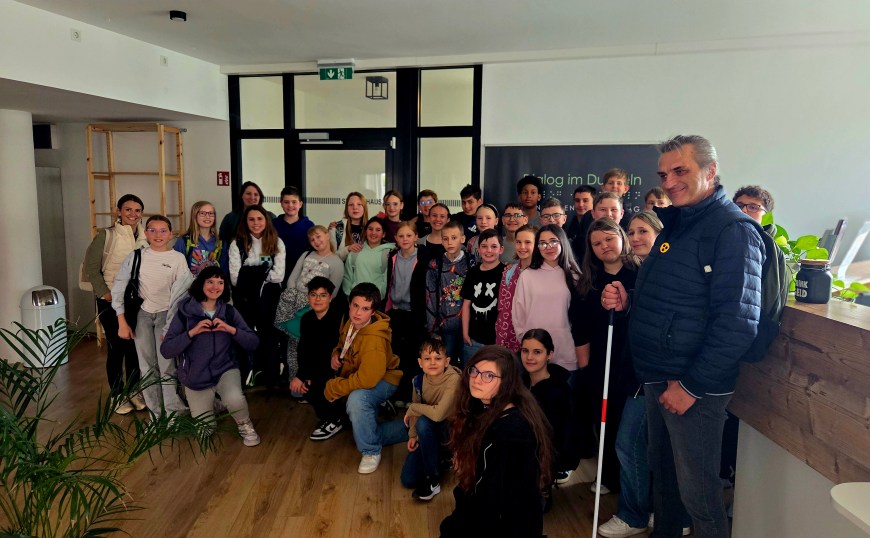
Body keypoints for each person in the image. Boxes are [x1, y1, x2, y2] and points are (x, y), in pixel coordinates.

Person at [603, 134, 764, 538]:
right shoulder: (679, 222)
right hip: (660, 375)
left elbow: (738, 322)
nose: (670, 181)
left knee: (700, 497)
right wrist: (629, 302)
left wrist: (691, 386)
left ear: (711, 172)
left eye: (680, 171)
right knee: (667, 488)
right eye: (663, 174)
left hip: (693, 386)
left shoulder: (733, 230)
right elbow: (677, 299)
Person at [439, 345, 553, 538]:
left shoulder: (510, 432)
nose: (476, 379)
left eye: (489, 376)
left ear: (506, 382)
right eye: (474, 371)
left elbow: (490, 502)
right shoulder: (491, 407)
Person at [160, 266, 261, 447]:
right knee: (205, 432)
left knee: (235, 399)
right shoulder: (184, 313)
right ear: (201, 284)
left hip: (225, 370)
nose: (215, 287)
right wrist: (191, 333)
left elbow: (253, 342)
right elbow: (166, 350)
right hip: (195, 377)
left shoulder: (229, 312)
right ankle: (215, 404)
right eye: (210, 282)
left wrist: (231, 329)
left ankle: (244, 424)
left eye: (220, 282)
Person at [574, 217, 640, 495]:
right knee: (605, 421)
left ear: (622, 237)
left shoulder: (639, 273)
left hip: (633, 362)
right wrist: (586, 368)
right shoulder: (588, 281)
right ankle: (608, 475)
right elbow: (580, 328)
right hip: (601, 362)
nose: (604, 246)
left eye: (609, 239)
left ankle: (634, 486)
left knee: (630, 428)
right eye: (597, 243)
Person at [112, 215, 193, 417]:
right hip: (142, 315)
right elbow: (119, 287)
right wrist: (122, 321)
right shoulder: (136, 256)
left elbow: (182, 294)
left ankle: (173, 412)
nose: (158, 235)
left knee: (167, 365)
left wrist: (173, 325)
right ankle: (155, 413)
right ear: (146, 233)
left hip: (167, 315)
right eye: (152, 230)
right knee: (146, 366)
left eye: (163, 230)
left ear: (170, 234)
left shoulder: (177, 259)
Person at [324, 283, 404, 474]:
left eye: (365, 309)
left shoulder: (374, 340)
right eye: (355, 305)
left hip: (383, 379)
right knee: (364, 427)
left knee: (357, 401)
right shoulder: (351, 321)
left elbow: (367, 380)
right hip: (361, 374)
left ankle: (371, 451)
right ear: (349, 304)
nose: (358, 312)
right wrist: (336, 353)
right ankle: (409, 426)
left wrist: (337, 387)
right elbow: (342, 344)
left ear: (373, 311)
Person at [83, 194, 148, 414]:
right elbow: (91, 269)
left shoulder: (145, 236)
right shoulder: (106, 236)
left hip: (136, 301)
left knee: (134, 348)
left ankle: (134, 390)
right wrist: (106, 293)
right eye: (128, 209)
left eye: (137, 210)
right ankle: (118, 394)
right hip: (110, 301)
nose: (133, 214)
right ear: (118, 211)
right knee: (116, 348)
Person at [274, 225, 344, 388]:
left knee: (309, 346)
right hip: (294, 299)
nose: (316, 241)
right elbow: (292, 278)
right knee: (293, 345)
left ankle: (309, 381)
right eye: (312, 240)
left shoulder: (336, 262)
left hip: (313, 306)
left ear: (327, 235)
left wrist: (311, 301)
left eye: (318, 236)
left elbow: (332, 292)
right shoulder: (306, 255)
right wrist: (295, 296)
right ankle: (294, 382)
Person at [512, 224, 587, 373]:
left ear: (562, 242)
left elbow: (580, 320)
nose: (548, 247)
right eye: (543, 243)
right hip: (535, 351)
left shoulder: (575, 276)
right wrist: (526, 342)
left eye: (553, 241)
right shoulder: (527, 276)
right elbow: (518, 313)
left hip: (565, 350)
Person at [228, 205, 286, 389]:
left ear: (266, 220)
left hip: (270, 298)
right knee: (246, 335)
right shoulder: (237, 244)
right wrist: (262, 272)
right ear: (245, 222)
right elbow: (236, 278)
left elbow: (278, 276)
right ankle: (247, 375)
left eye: (260, 219)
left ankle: (271, 377)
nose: (256, 223)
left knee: (269, 336)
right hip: (245, 299)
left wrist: (249, 271)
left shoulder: (277, 242)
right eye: (251, 219)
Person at [399, 338, 461, 501]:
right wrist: (413, 435)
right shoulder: (418, 381)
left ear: (447, 361)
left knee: (424, 421)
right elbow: (415, 412)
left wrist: (413, 408)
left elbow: (438, 414)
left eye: (438, 358)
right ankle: (437, 458)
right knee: (408, 479)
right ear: (420, 362)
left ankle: (433, 479)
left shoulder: (454, 379)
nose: (432, 363)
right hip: (428, 435)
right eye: (427, 358)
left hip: (450, 434)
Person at [290, 277, 345, 441]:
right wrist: (302, 375)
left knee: (317, 383)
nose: (318, 299)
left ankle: (335, 420)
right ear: (308, 297)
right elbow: (304, 349)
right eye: (313, 295)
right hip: (316, 367)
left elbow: (335, 350)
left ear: (330, 298)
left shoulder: (339, 318)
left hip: (335, 367)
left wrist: (309, 376)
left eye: (323, 295)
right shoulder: (307, 319)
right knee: (304, 387)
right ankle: (328, 417)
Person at [520, 329, 573, 490]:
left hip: (542, 461)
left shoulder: (559, 392)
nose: (529, 357)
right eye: (525, 351)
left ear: (549, 355)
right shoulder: (518, 383)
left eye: (537, 352)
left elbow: (562, 437)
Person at [424, 221, 473, 364]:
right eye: (445, 238)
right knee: (448, 365)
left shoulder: (472, 262)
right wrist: (433, 331)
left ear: (462, 239)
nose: (450, 242)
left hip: (469, 327)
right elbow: (430, 298)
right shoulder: (435, 265)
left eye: (454, 238)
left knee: (468, 366)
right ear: (441, 240)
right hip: (446, 327)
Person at [385, 221, 423, 406]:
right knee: (396, 354)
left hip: (414, 314)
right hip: (396, 312)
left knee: (412, 355)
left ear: (416, 237)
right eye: (401, 236)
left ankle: (410, 395)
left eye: (409, 235)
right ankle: (397, 393)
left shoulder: (422, 258)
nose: (405, 239)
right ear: (395, 238)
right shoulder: (393, 257)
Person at [460, 229, 505, 362]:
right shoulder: (472, 272)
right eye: (484, 246)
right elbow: (466, 304)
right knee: (471, 371)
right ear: (478, 249)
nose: (488, 250)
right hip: (473, 339)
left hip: (497, 340)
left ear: (501, 249)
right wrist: (465, 333)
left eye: (494, 246)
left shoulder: (505, 274)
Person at [494, 224, 537, 353]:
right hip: (507, 338)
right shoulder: (509, 272)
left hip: (533, 339)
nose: (522, 247)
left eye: (528, 242)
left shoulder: (542, 274)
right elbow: (502, 307)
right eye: (518, 242)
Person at [341, 216, 395, 301]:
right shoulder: (355, 252)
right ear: (365, 231)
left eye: (378, 230)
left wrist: (378, 298)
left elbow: (387, 280)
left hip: (377, 301)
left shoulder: (389, 253)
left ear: (383, 234)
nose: (373, 233)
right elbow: (347, 277)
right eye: (370, 229)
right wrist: (351, 296)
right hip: (356, 300)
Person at [272, 186, 314, 285]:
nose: (290, 205)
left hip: (300, 275)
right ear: (281, 203)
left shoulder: (309, 226)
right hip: (276, 274)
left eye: (294, 202)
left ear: (300, 204)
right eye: (286, 202)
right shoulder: (273, 224)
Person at [174, 200, 226, 276]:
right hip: (190, 283)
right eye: (202, 213)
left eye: (211, 213)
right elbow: (177, 269)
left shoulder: (220, 242)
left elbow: (223, 271)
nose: (207, 217)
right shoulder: (184, 241)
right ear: (194, 215)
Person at [330, 191, 369, 261]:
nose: (355, 207)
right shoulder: (335, 228)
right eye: (351, 205)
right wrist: (347, 249)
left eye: (359, 204)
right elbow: (331, 258)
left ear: (364, 207)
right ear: (346, 208)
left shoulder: (371, 228)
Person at [566, 185, 597, 264]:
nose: (580, 204)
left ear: (594, 203)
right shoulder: (570, 223)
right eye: (577, 201)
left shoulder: (597, 225)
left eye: (585, 201)